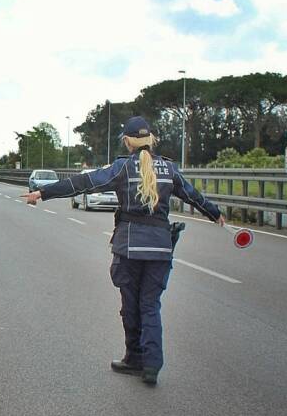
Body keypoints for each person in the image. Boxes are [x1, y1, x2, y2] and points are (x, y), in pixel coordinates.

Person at [21, 116, 223, 385]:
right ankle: (151, 366)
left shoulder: (122, 168)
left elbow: (83, 182)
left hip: (130, 246)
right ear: (151, 140)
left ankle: (134, 358)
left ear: (127, 141)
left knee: (131, 305)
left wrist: (43, 193)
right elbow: (193, 196)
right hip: (160, 247)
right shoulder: (170, 169)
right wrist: (215, 214)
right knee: (150, 305)